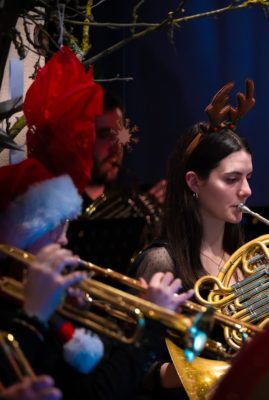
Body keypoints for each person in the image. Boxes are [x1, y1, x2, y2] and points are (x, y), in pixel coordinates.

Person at [0, 46, 191, 400]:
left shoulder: (60, 303)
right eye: (51, 227)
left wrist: (81, 315)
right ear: (18, 238)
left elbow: (100, 379)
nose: (63, 239)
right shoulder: (17, 312)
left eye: (64, 225)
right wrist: (150, 327)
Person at [131, 81, 269, 394]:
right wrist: (223, 369)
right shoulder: (162, 262)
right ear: (194, 181)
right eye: (232, 179)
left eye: (248, 178)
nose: (246, 190)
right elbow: (138, 370)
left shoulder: (251, 258)